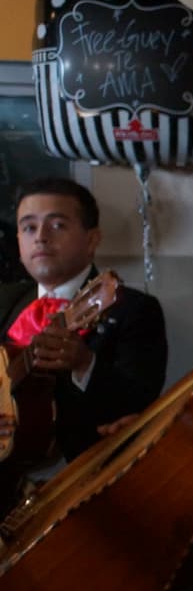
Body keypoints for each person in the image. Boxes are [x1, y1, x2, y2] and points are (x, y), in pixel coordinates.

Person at [0, 178, 166, 476]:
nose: (40, 237)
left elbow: (139, 406)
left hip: (81, 478)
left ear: (92, 240)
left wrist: (85, 364)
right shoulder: (5, 300)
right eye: (29, 227)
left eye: (57, 225)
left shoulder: (134, 310)